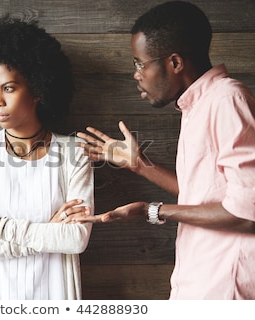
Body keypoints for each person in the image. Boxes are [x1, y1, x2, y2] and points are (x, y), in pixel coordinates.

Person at [76, 1, 255, 299]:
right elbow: (206, 195)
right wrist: (139, 165)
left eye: (140, 63)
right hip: (198, 277)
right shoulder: (198, 105)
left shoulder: (227, 100)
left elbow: (247, 211)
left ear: (174, 63)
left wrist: (152, 211)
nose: (136, 74)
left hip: (224, 287)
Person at [0, 16, 94, 300]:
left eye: (8, 88)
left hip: (53, 296)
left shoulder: (74, 153)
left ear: (37, 89)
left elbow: (76, 239)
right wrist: (45, 236)